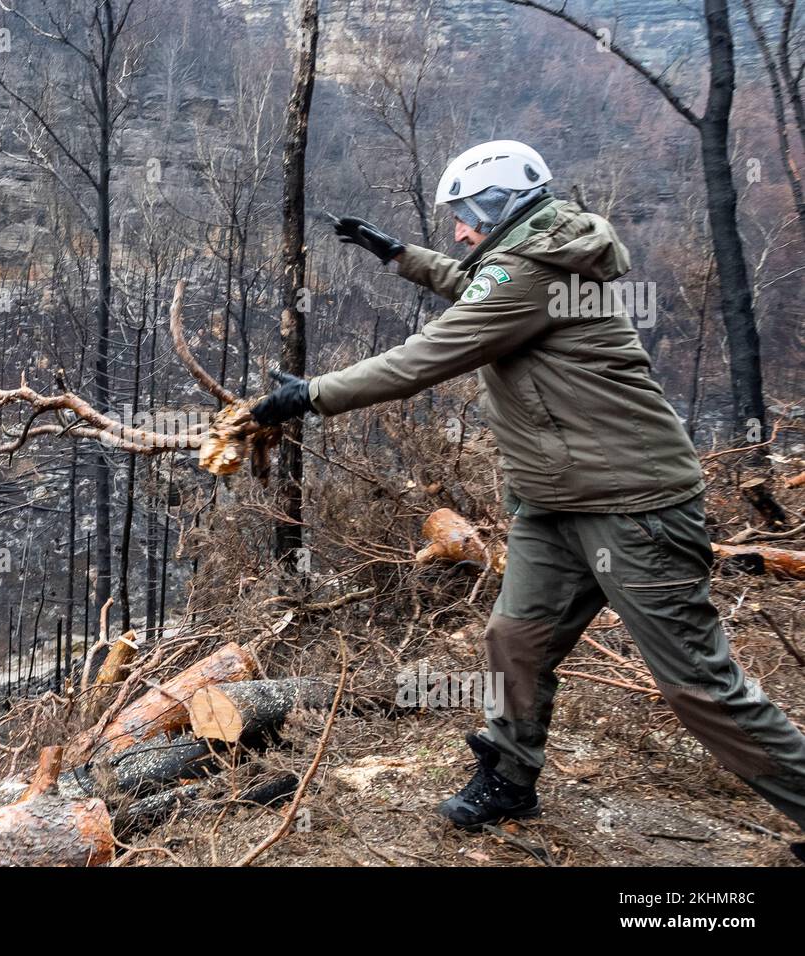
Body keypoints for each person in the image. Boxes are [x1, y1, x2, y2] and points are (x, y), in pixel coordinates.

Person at [252, 140, 805, 857]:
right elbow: (474, 284)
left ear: (502, 204)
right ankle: (510, 777)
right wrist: (397, 255)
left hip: (631, 502)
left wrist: (311, 395)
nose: (458, 228)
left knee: (699, 686)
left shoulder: (529, 269)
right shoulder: (537, 259)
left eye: (467, 214)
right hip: (557, 502)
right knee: (515, 640)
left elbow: (430, 353)